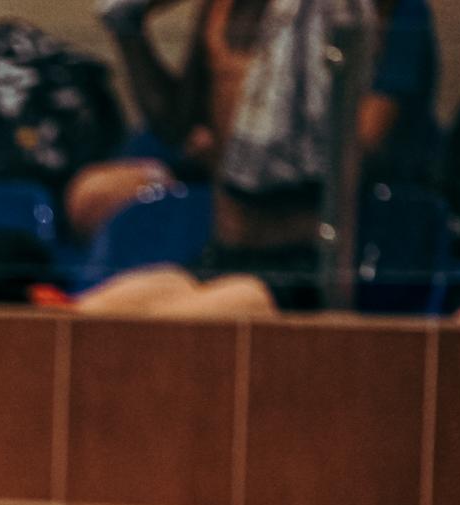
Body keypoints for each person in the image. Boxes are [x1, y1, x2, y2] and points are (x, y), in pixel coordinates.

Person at [68, 0, 440, 308]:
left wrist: (243, 151)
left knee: (180, 327)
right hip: (227, 252)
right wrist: (128, 27)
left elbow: (368, 146)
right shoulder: (223, 8)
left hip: (319, 266)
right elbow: (178, 125)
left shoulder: (379, 10)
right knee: (90, 317)